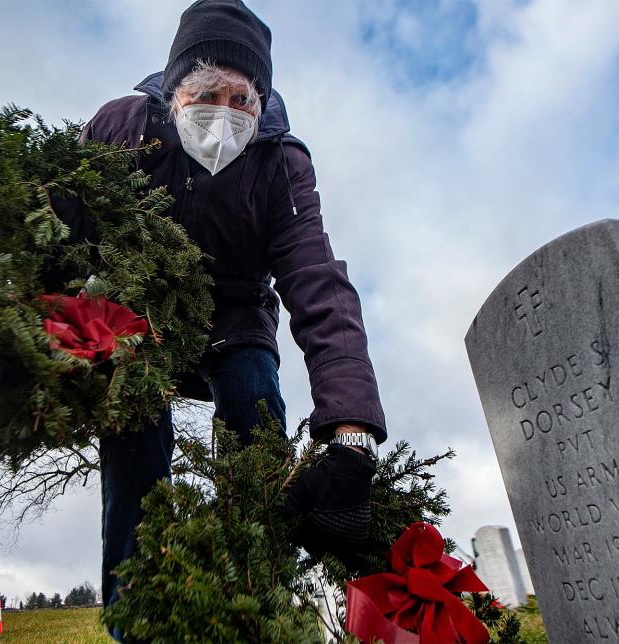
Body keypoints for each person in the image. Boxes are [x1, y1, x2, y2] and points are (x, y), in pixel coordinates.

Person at [78, 0, 387, 622]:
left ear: (262, 101)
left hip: (237, 315)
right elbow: (67, 215)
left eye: (242, 100)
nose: (224, 117)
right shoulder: (121, 128)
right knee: (132, 430)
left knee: (254, 417)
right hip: (144, 314)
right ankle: (131, 609)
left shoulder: (280, 164)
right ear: (171, 93)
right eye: (204, 95)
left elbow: (316, 282)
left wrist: (350, 432)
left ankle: (260, 598)